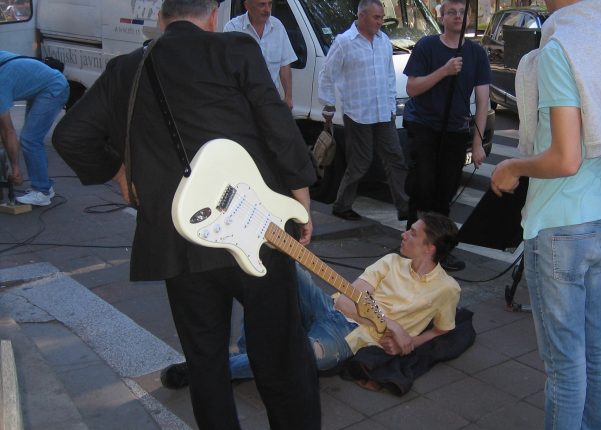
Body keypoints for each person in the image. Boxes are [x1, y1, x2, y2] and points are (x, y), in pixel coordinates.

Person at [51, 0, 320, 428]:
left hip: (180, 239)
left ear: (161, 19)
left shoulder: (126, 69)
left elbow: (70, 135)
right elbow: (277, 125)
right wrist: (300, 197)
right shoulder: (235, 49)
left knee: (205, 362)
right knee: (281, 356)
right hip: (255, 228)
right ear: (212, 16)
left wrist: (119, 172)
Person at [491, 0, 601, 426]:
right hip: (599, 221)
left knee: (565, 367)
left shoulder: (561, 49)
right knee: (596, 352)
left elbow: (565, 158)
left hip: (557, 227)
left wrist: (512, 166)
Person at [160, 212, 461, 389]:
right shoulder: (391, 261)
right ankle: (248, 351)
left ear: (429, 248)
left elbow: (443, 330)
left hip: (346, 338)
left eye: (413, 233)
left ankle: (204, 371)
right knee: (280, 266)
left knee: (292, 358)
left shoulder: (447, 289)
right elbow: (346, 300)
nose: (404, 234)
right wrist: (390, 324)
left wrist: (409, 341)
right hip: (326, 307)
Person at [402, 0, 489, 271]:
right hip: (425, 125)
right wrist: (445, 71)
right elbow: (412, 88)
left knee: (446, 191)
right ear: (442, 18)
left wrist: (478, 144)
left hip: (455, 129)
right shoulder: (427, 46)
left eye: (462, 12)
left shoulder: (476, 53)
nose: (457, 16)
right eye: (452, 12)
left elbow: (483, 100)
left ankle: (439, 249)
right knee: (424, 185)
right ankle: (411, 240)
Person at [317, 0, 409, 222]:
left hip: (383, 112)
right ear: (362, 16)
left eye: (381, 17)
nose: (380, 22)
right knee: (360, 162)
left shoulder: (383, 41)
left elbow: (389, 76)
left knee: (395, 158)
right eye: (376, 17)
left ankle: (405, 206)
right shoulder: (344, 42)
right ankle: (342, 205)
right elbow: (327, 75)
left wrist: (391, 105)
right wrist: (328, 106)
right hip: (358, 114)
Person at [0, 50, 69, 206]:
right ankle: (45, 186)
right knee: (31, 139)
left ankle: (42, 192)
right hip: (41, 88)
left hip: (54, 88)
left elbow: (7, 131)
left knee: (30, 139)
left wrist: (15, 167)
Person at [223, 0, 296, 108]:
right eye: (262, 4)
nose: (267, 9)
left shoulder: (277, 26)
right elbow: (227, 70)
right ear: (247, 5)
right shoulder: (233, 28)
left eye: (270, 4)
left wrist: (288, 97)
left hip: (270, 100)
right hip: (242, 102)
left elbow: (284, 64)